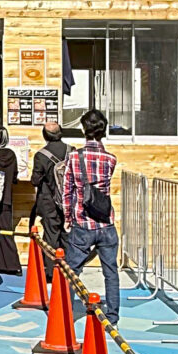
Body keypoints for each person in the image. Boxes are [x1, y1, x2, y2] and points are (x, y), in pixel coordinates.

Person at [62, 108, 120, 324]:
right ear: (103, 130)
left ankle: (65, 313)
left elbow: (67, 190)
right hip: (105, 222)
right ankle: (112, 315)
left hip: (82, 221)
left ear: (83, 129)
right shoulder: (110, 159)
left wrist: (67, 217)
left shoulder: (74, 157)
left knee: (72, 270)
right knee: (110, 271)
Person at [31, 121, 70, 280]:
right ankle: (68, 268)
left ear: (45, 135)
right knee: (67, 234)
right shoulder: (72, 151)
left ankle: (50, 272)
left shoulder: (41, 155)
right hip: (68, 200)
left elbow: (35, 180)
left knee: (51, 235)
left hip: (49, 202)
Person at [0, 126, 22, 276]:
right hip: (6, 198)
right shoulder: (11, 155)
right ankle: (11, 265)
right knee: (6, 232)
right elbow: (14, 176)